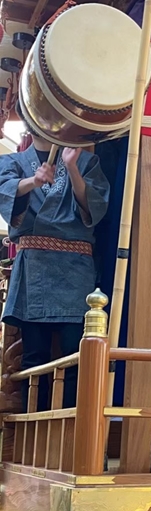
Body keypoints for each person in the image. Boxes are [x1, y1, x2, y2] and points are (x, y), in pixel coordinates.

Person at [0, 134, 110, 410]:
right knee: (34, 357)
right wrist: (33, 182)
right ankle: (31, 431)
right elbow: (6, 193)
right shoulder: (13, 162)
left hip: (76, 269)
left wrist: (72, 168)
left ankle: (71, 428)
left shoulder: (87, 161)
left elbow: (94, 209)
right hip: (33, 268)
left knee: (75, 356)